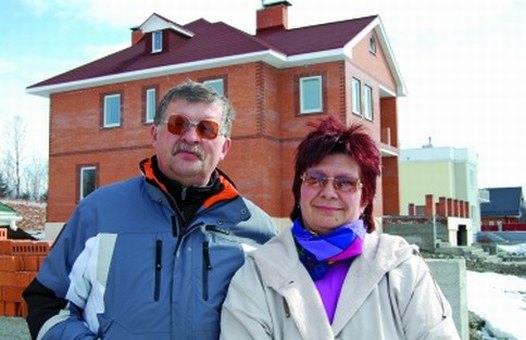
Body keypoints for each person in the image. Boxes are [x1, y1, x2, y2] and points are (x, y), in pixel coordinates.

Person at [23, 80, 277, 340]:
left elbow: (277, 321)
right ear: (155, 135)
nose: (191, 137)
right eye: (178, 124)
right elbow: (48, 303)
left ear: (224, 147)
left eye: (207, 128)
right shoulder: (99, 212)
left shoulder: (257, 230)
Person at [220, 116, 460, 339]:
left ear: (365, 197)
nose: (328, 193)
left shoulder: (401, 268)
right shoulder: (259, 272)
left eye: (345, 183)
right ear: (299, 189)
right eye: (315, 179)